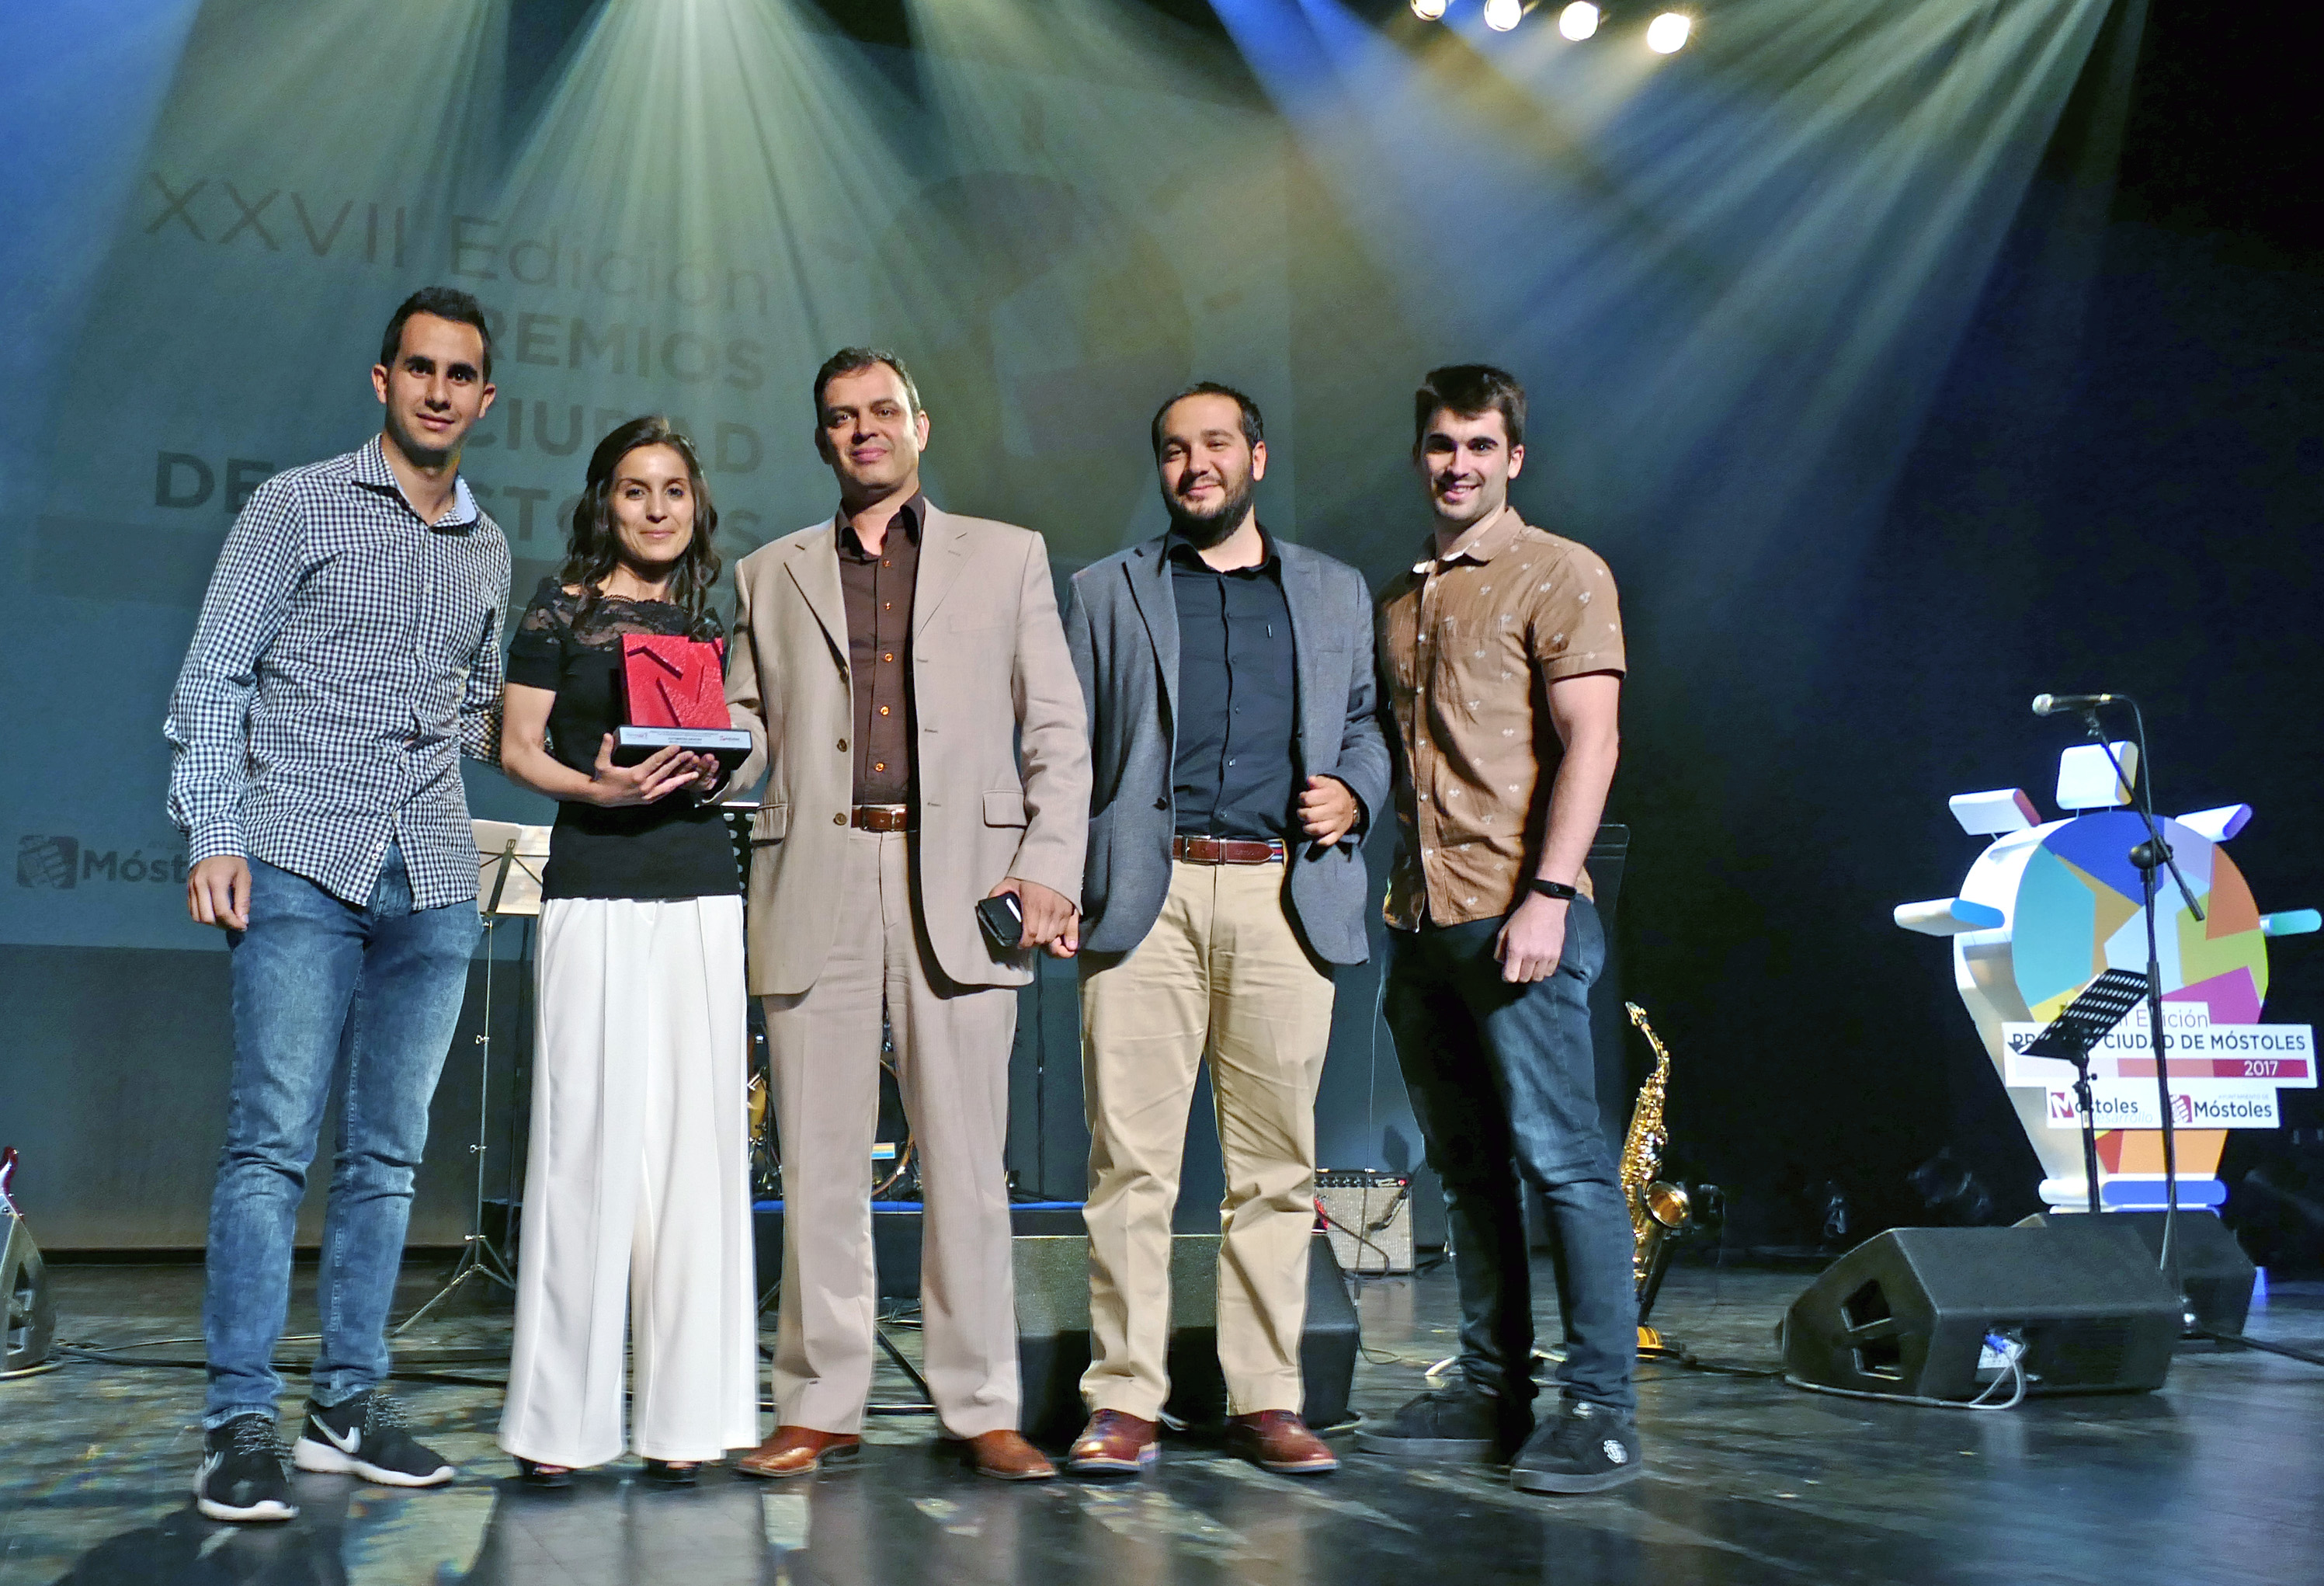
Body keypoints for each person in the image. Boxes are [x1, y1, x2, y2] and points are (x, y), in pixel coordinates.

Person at [166, 287, 510, 1522]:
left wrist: (603, 723)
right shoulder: (297, 505)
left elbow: (479, 711)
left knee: (389, 1156)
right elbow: (214, 675)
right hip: (300, 855)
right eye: (419, 367)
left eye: (459, 374)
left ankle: (346, 1403)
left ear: (483, 398)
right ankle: (237, 1418)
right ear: (383, 380)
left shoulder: (488, 548)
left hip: (432, 873)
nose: (437, 390)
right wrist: (215, 829)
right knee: (270, 1142)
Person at [724, 348, 1090, 1482]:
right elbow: (745, 729)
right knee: (817, 1164)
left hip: (966, 888)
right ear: (822, 439)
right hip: (815, 878)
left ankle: (980, 1405)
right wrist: (686, 735)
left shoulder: (1008, 555)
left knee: (970, 1168)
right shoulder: (767, 573)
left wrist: (1048, 867)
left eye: (882, 410)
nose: (863, 429)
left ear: (920, 425)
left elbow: (1056, 730)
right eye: (841, 417)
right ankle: (820, 1403)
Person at [1060, 383, 1390, 1477]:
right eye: (1173, 449)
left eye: (1214, 444)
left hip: (1281, 896)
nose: (1194, 464)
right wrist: (1057, 880)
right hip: (1143, 899)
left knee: (1276, 1170)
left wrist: (1354, 790)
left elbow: (1365, 726)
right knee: (1130, 1168)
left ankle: (1266, 1398)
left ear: (1256, 456)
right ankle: (1124, 1401)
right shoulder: (1105, 590)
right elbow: (1063, 746)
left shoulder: (1333, 590)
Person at [1354, 363, 1641, 1493]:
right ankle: (1491, 1387)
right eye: (1441, 444)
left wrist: (1550, 895)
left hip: (1521, 919)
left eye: (1480, 444)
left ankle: (1601, 1408)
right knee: (1468, 1171)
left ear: (1514, 457)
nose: (1458, 464)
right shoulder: (1399, 598)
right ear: (1419, 456)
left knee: (1565, 1165)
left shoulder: (1560, 571)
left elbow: (1594, 744)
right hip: (1421, 922)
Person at [493, 416, 760, 1488]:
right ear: (604, 502)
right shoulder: (558, 607)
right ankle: (558, 1425)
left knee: (698, 1156)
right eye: (635, 489)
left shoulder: (708, 621)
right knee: (584, 1151)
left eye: (674, 490)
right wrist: (597, 789)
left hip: (702, 890)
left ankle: (689, 1417)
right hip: (594, 887)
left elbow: (735, 745)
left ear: (697, 506)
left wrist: (720, 767)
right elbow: (515, 747)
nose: (657, 508)